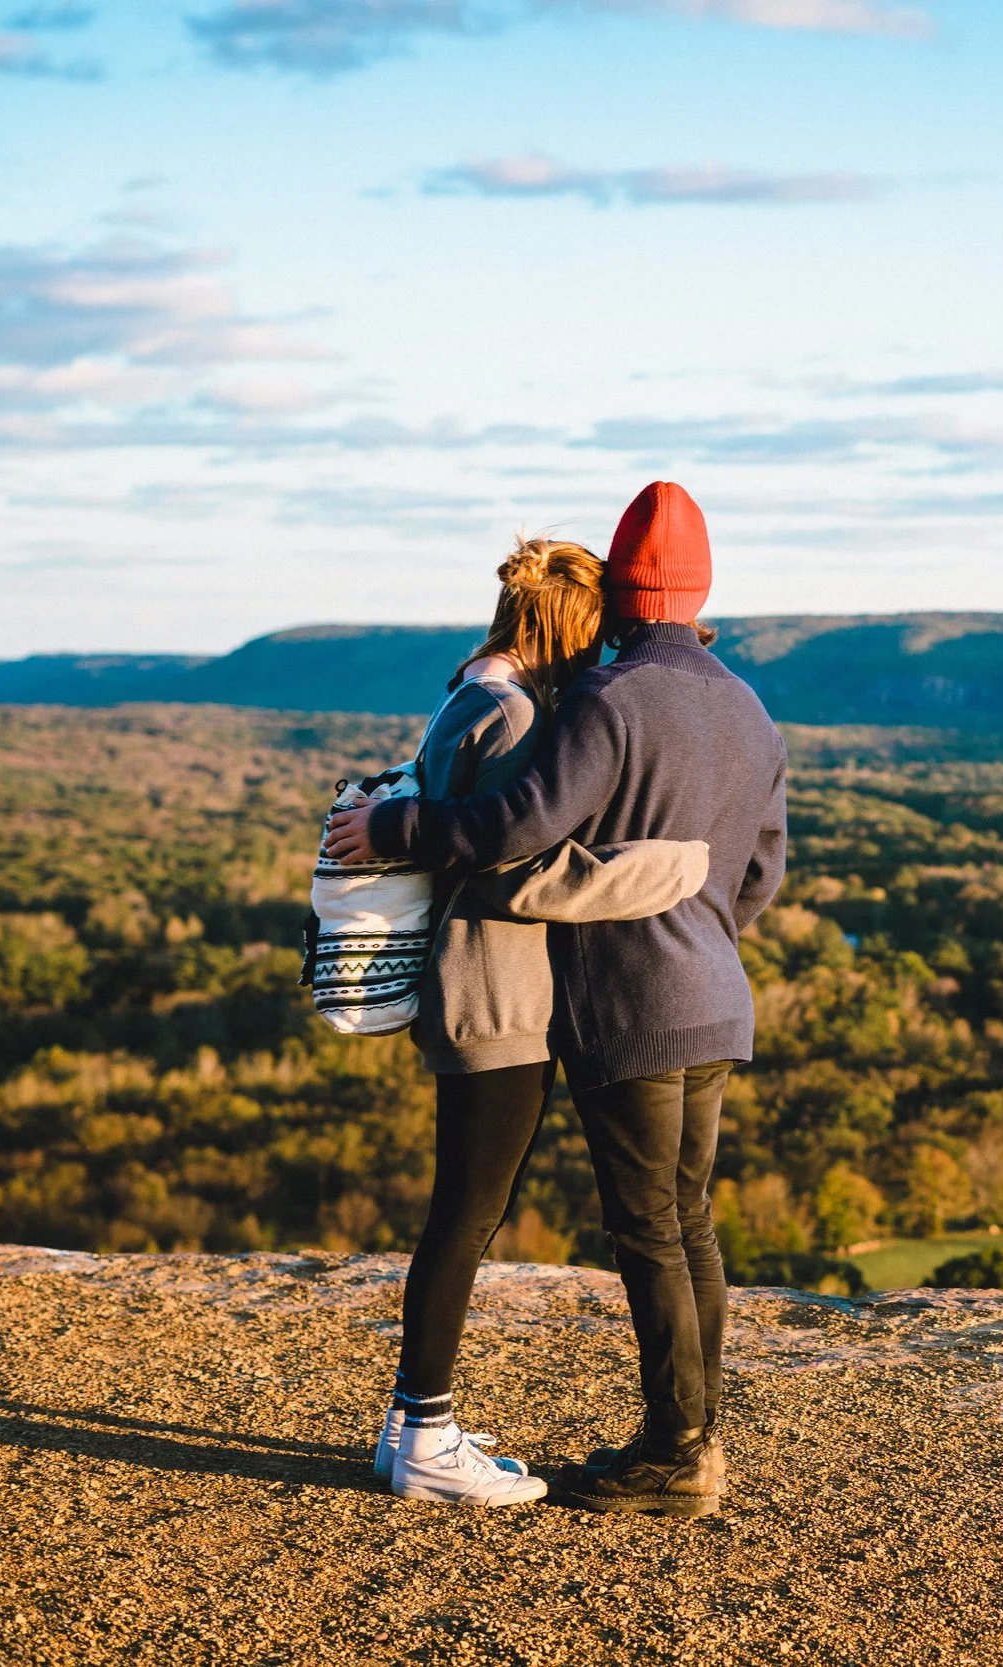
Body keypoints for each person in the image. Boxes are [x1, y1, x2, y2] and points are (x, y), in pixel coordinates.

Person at [326, 481, 786, 1518]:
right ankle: (693, 1439)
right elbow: (760, 872)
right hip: (715, 990)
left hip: (629, 999)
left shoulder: (610, 698)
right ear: (700, 588)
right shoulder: (750, 708)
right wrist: (702, 927)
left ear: (624, 590)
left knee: (650, 1232)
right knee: (692, 1225)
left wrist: (396, 828)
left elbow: (512, 829)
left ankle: (674, 1455)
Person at [377, 537, 612, 1508]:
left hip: (465, 981)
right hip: (496, 991)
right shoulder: (514, 713)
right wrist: (658, 872)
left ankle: (414, 1425)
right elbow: (515, 856)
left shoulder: (468, 692)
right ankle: (424, 1433)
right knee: (467, 1213)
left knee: (465, 1208)